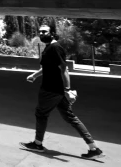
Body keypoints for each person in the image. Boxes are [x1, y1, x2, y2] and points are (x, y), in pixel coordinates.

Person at [20, 24, 104, 159]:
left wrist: (67, 89)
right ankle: (93, 148)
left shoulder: (55, 47)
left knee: (41, 114)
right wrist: (35, 75)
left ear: (52, 33)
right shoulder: (49, 48)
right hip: (56, 91)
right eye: (40, 32)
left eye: (45, 32)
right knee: (70, 117)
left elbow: (64, 68)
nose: (42, 34)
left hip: (50, 90)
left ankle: (37, 144)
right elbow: (48, 68)